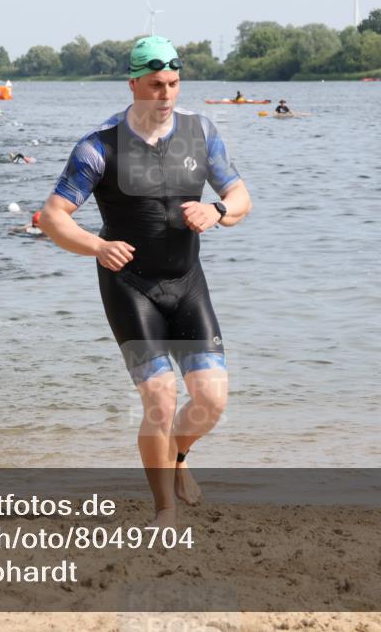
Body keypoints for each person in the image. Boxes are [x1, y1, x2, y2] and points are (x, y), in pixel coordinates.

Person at [40, 36, 252, 527]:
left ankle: (176, 460)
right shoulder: (99, 147)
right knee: (160, 398)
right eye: (155, 85)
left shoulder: (201, 133)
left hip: (186, 281)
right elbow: (53, 218)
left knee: (211, 399)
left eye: (174, 84)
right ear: (133, 83)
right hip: (129, 285)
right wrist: (97, 245)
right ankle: (165, 509)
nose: (166, 95)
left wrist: (217, 210)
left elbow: (241, 198)